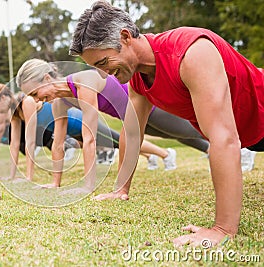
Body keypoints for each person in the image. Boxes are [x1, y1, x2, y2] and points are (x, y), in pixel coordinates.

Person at [69, 0, 264, 247]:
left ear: (125, 37)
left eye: (103, 63)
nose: (105, 74)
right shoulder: (139, 81)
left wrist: (222, 228)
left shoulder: (191, 52)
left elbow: (224, 139)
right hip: (254, 135)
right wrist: (121, 189)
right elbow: (131, 134)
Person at [17, 59, 207, 192]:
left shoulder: (82, 82)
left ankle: (234, 144)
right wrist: (55, 183)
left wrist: (87, 186)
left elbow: (90, 138)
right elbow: (58, 144)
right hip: (129, 117)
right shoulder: (59, 103)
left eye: (35, 93)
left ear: (48, 78)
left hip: (147, 106)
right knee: (180, 134)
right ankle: (220, 147)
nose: (36, 100)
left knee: (191, 130)